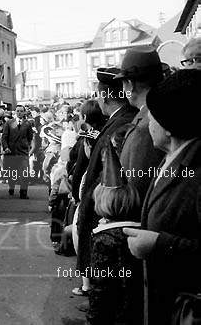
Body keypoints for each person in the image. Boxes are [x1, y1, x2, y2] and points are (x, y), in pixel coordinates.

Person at [123, 69, 201, 325]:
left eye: (152, 117)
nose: (148, 124)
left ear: (168, 126)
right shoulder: (170, 159)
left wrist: (159, 244)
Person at [74, 67, 137, 297]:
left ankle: (98, 301)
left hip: (106, 208)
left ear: (105, 96)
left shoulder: (121, 122)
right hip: (100, 204)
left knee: (107, 278)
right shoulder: (118, 119)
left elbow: (113, 170)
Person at [87, 141, 143, 325]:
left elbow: (100, 288)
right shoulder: (138, 231)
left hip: (112, 314)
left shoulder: (104, 239)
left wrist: (93, 320)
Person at [114, 47, 165, 201]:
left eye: (123, 83)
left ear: (130, 84)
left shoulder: (147, 126)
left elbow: (137, 189)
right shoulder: (150, 115)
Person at [1, 105, 34, 199]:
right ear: (15, 112)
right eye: (18, 111)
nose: (19, 113)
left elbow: (30, 137)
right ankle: (11, 187)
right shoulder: (9, 123)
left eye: (21, 111)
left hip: (22, 152)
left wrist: (26, 146)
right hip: (11, 152)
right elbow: (4, 137)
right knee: (12, 172)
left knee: (24, 173)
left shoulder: (27, 124)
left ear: (24, 113)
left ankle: (23, 192)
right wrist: (6, 147)